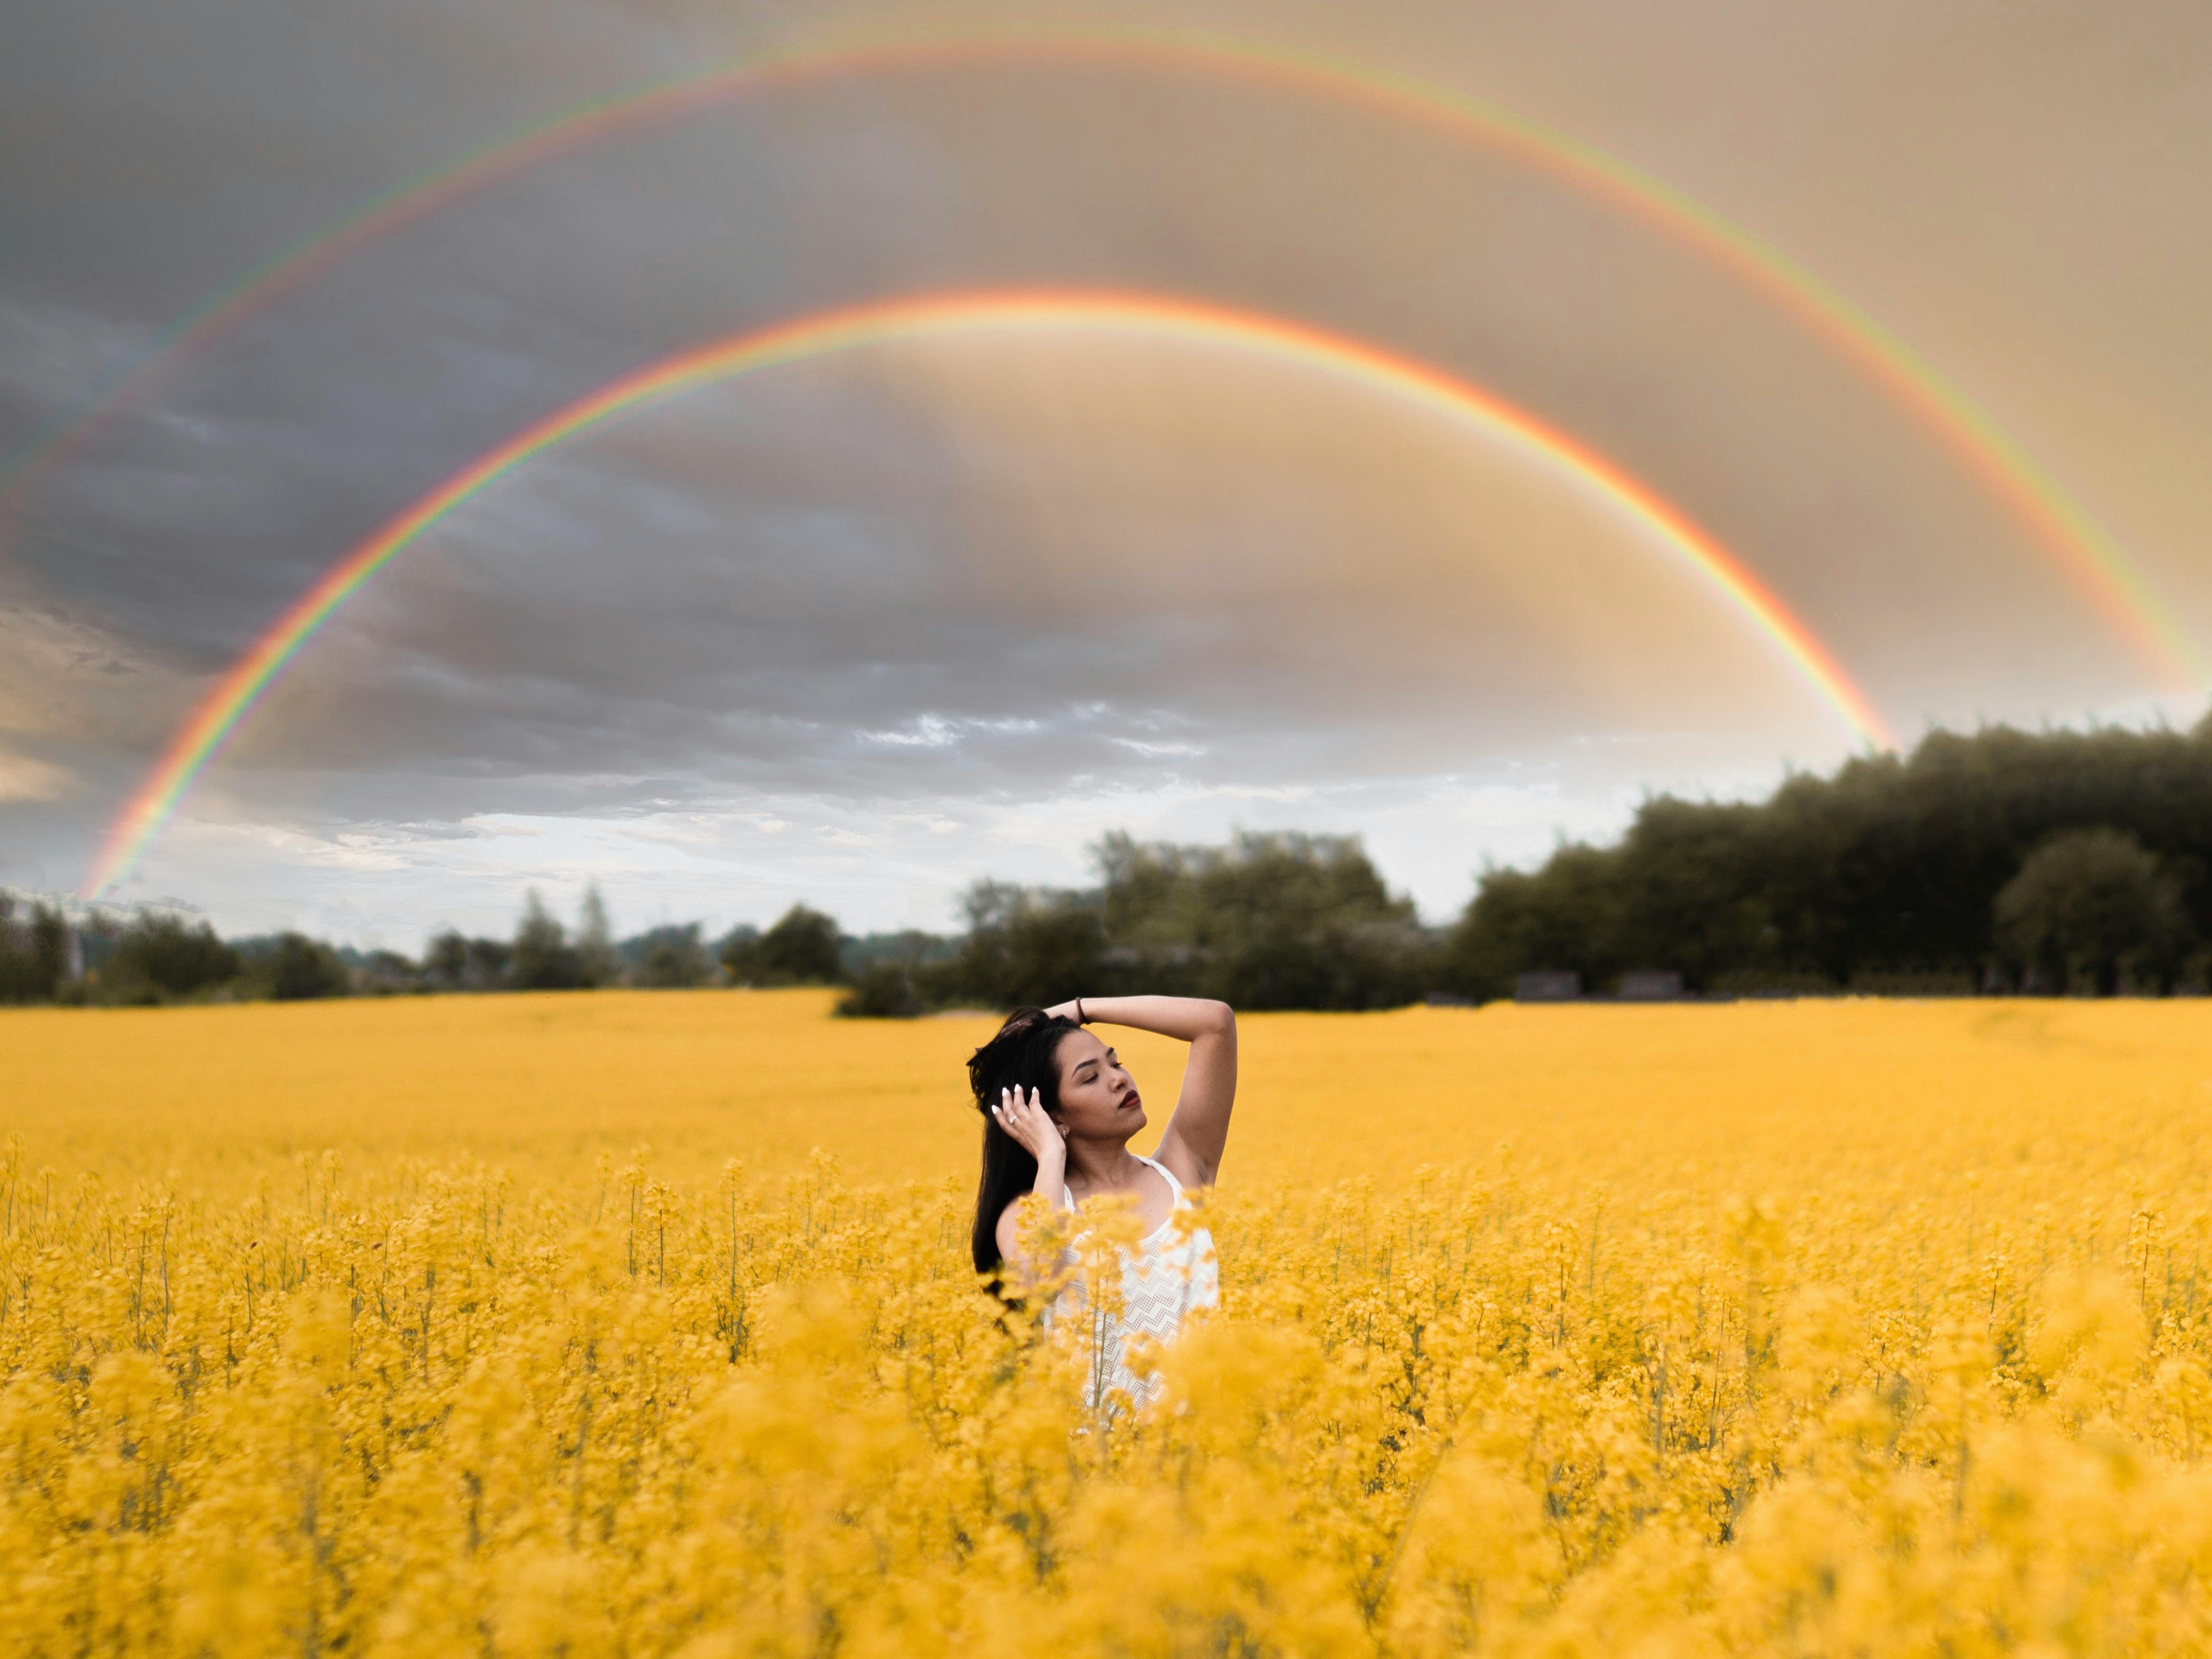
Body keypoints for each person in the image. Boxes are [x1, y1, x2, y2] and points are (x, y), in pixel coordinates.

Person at [967, 995, 1236, 1406]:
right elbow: (1040, 1280)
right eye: (1089, 1077)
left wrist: (1079, 1009)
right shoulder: (1026, 1211)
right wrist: (1051, 1155)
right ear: (1051, 1116)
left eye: (1115, 1061)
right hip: (1097, 1463)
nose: (1118, 1079)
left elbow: (1214, 1023)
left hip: (1203, 1458)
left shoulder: (1182, 1174)